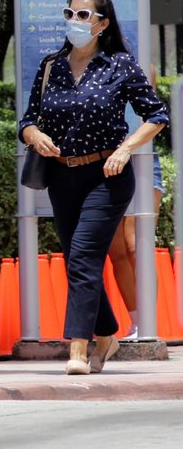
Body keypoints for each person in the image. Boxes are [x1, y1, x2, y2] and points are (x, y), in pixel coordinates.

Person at [19, 0, 168, 375]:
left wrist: (125, 148)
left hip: (107, 175)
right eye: (70, 14)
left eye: (83, 16)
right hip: (61, 176)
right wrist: (33, 135)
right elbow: (28, 119)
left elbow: (156, 114)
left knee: (84, 256)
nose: (74, 22)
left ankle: (78, 350)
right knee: (77, 261)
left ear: (101, 24)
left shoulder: (119, 65)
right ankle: (107, 335)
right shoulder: (51, 65)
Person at [108, 66, 165, 340]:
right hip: (103, 158)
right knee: (116, 250)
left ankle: (148, 325)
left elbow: (149, 99)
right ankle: (136, 323)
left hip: (140, 157)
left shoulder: (134, 55)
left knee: (135, 244)